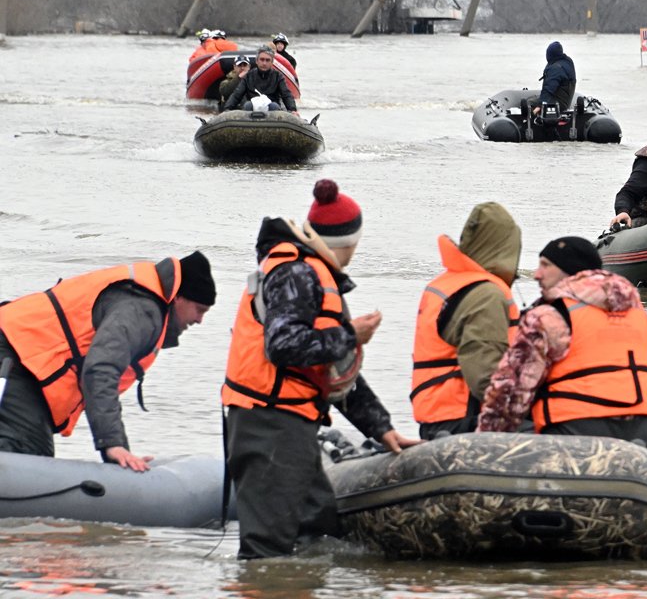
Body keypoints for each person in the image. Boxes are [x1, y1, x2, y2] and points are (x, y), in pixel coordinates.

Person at [222, 179, 420, 560]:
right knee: (268, 548)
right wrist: (350, 334)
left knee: (319, 523)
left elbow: (331, 374)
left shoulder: (312, 272)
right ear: (349, 242)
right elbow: (283, 347)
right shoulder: (297, 273)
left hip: (290, 423)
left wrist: (382, 428)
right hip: (269, 423)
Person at [0, 251, 216, 470]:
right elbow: (101, 369)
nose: (199, 320)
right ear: (178, 297)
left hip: (20, 359)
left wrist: (119, 449)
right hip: (14, 356)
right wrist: (112, 444)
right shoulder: (141, 310)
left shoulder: (142, 303)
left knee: (33, 456)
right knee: (27, 455)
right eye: (199, 310)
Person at [477, 236, 647, 456]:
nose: (537, 274)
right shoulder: (642, 319)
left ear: (570, 271)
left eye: (546, 265)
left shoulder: (548, 318)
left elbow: (510, 393)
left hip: (576, 437)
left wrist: (485, 447)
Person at [410, 202, 521, 440]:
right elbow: (485, 374)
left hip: (436, 415)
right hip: (465, 419)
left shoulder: (445, 284)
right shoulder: (486, 295)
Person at [221, 45, 298, 114]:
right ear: (257, 61)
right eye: (262, 59)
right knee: (247, 105)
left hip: (272, 109)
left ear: (272, 63)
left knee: (274, 106)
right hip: (251, 108)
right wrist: (227, 109)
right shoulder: (248, 76)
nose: (264, 63)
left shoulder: (278, 76)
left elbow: (286, 94)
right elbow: (237, 94)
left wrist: (292, 110)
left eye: (267, 60)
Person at [532, 41, 576, 120]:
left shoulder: (556, 68)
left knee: (529, 102)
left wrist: (539, 105)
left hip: (558, 103)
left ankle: (531, 123)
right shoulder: (567, 61)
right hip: (566, 101)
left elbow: (549, 89)